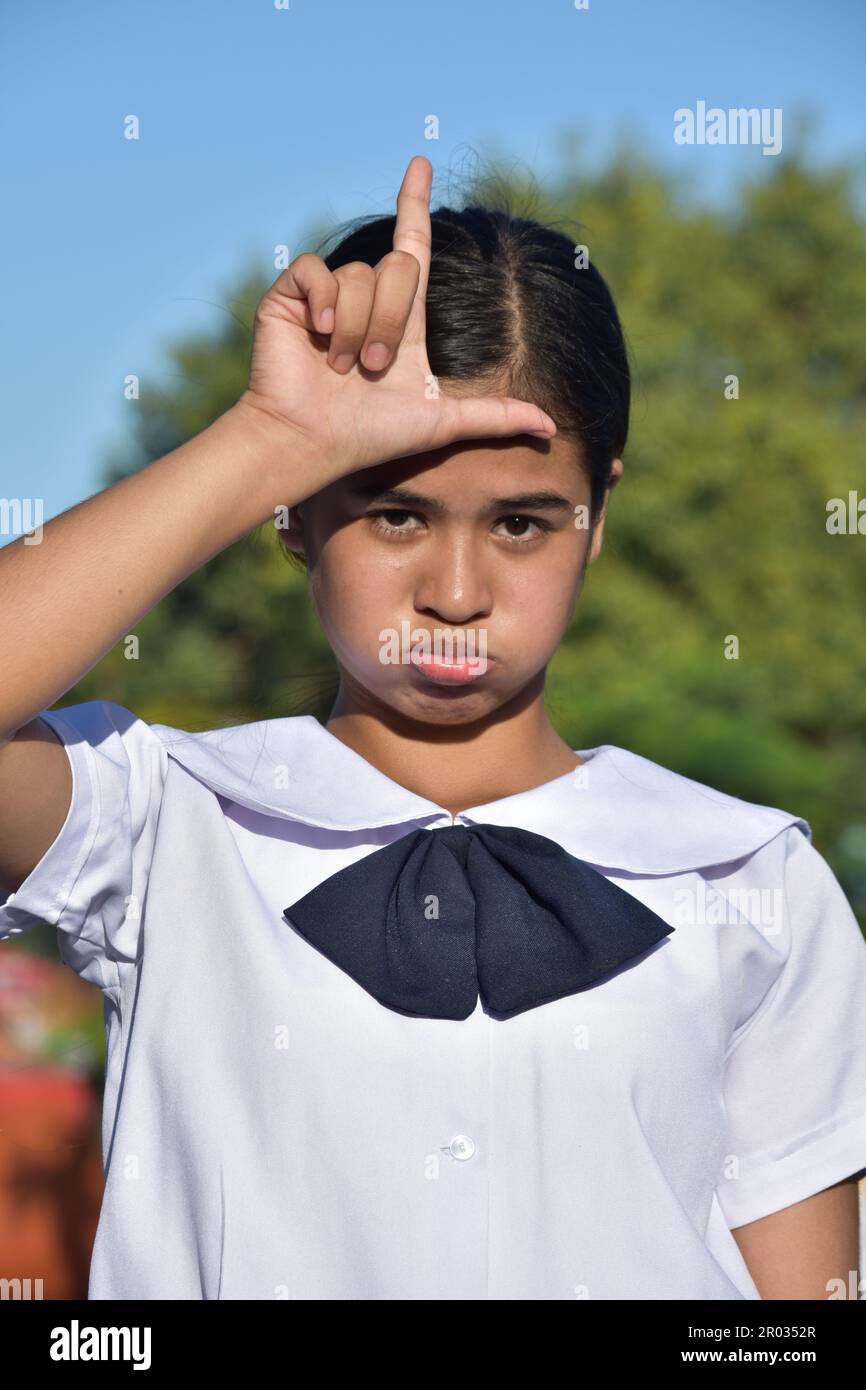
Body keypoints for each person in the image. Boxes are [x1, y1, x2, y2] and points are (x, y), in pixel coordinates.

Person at [1, 155, 864, 1302]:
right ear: (296, 523)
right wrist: (266, 435)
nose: (455, 593)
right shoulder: (161, 822)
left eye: (519, 523)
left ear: (596, 514)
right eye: (393, 513)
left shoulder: (753, 877)